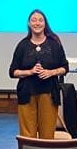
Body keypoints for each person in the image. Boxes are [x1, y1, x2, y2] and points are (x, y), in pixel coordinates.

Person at [9, 9, 68, 138]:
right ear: (29, 24)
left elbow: (65, 67)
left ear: (45, 23)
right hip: (26, 93)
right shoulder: (22, 45)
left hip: (49, 92)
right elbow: (12, 72)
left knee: (47, 133)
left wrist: (51, 72)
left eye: (40, 20)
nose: (37, 23)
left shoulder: (54, 44)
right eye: (33, 20)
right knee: (27, 134)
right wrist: (30, 72)